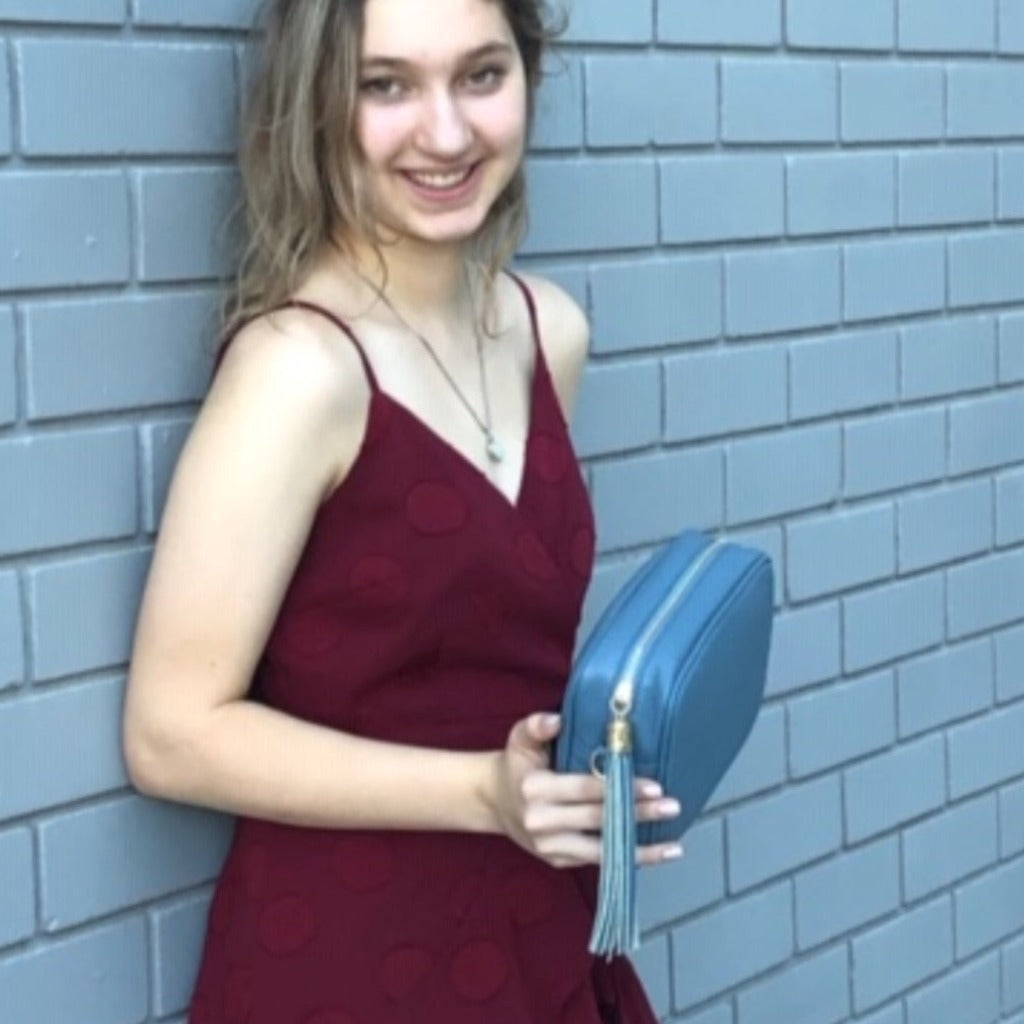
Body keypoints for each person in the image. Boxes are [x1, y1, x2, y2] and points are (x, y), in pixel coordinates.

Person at [122, 0, 683, 1020]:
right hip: (348, 955)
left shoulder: (548, 333)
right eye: (386, 85)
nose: (447, 132)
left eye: (481, 75)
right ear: (321, 103)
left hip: (540, 922)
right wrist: (481, 791)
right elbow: (169, 733)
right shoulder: (299, 370)